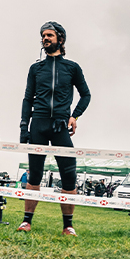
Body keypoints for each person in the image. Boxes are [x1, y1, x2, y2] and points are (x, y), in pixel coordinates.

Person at [17, 21, 91, 236]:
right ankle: (26, 221)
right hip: (38, 123)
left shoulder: (72, 67)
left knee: (69, 175)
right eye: (43, 35)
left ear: (60, 38)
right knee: (34, 175)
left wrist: (74, 116)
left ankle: (68, 225)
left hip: (60, 125)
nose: (45, 38)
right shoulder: (35, 68)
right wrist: (24, 125)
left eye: (49, 35)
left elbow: (86, 94)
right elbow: (27, 98)